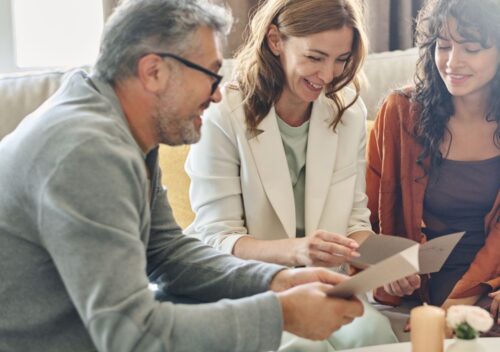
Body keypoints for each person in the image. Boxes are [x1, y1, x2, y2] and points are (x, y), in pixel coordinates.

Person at [0, 1, 367, 351]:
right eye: (209, 75)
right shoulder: (88, 151)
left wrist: (274, 280)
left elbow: (166, 253)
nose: (218, 96)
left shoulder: (118, 126)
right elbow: (132, 334)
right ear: (154, 72)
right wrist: (282, 313)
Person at [185, 0, 398, 349]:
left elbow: (354, 222)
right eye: (315, 57)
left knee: (373, 335)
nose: (327, 75)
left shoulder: (346, 111)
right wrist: (297, 251)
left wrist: (385, 262)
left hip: (326, 284)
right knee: (304, 346)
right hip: (253, 286)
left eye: (340, 59)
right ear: (275, 41)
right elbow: (216, 239)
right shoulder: (223, 113)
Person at [366, 0, 500, 334]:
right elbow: (364, 215)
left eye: (471, 48)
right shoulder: (401, 113)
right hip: (434, 272)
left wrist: (461, 303)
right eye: (443, 46)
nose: (453, 62)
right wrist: (385, 268)